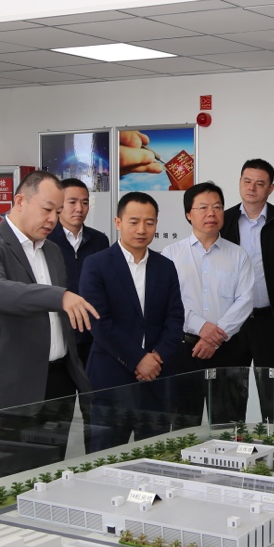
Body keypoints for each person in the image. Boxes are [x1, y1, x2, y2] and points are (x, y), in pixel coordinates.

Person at [0, 170, 96, 481]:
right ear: (20, 201)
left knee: (49, 476)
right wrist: (58, 296)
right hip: (13, 386)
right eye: (47, 209)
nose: (53, 219)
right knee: (8, 480)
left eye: (58, 211)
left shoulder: (51, 250)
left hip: (58, 383)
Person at [79, 192, 184, 450]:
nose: (142, 230)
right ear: (118, 222)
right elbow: (99, 322)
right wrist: (138, 359)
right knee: (106, 455)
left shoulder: (166, 266)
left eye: (149, 222)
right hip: (111, 378)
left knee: (155, 454)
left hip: (156, 379)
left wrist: (156, 358)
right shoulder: (96, 264)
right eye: (134, 222)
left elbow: (175, 318)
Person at [221, 159, 274, 424]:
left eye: (260, 183)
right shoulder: (223, 221)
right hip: (231, 323)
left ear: (271, 188)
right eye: (247, 181)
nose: (252, 188)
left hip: (272, 322)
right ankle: (230, 441)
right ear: (239, 183)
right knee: (229, 393)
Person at [162, 181, 254, 427]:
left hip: (228, 350)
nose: (211, 213)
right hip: (183, 350)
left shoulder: (238, 255)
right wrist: (201, 327)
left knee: (229, 424)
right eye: (203, 207)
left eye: (217, 207)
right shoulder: (170, 255)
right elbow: (169, 302)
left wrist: (215, 337)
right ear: (188, 214)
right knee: (183, 422)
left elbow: (245, 301)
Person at [46, 177, 110, 431]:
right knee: (56, 416)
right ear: (60, 204)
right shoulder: (46, 239)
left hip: (92, 340)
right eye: (72, 202)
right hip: (60, 339)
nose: (79, 208)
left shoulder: (99, 240)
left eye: (84, 202)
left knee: (94, 412)